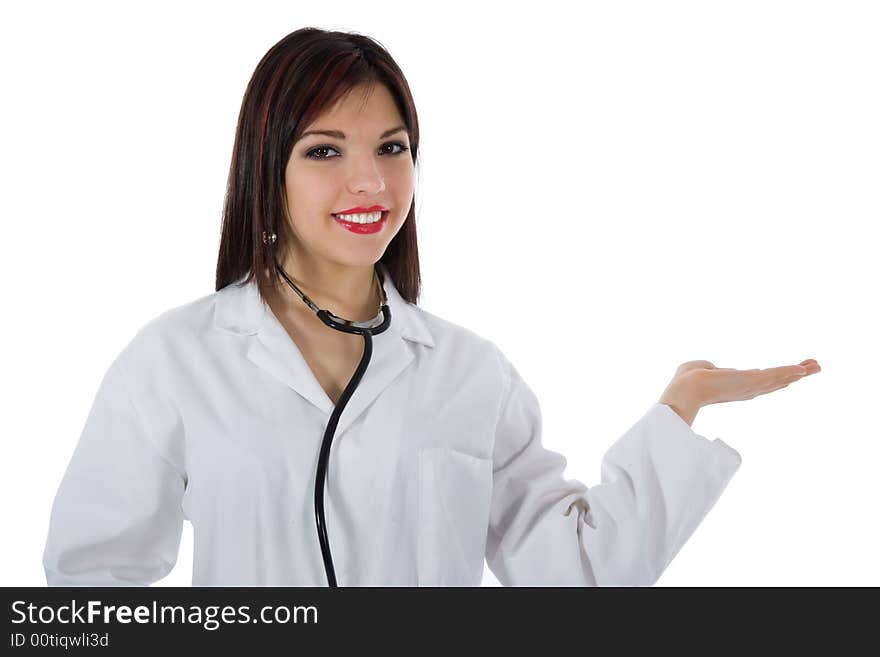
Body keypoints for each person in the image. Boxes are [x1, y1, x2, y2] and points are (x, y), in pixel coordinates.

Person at [42, 27, 820, 587]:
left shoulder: (471, 373)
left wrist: (679, 405)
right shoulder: (177, 359)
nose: (371, 184)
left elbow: (577, 577)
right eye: (324, 150)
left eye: (391, 147)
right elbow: (91, 583)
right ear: (264, 168)